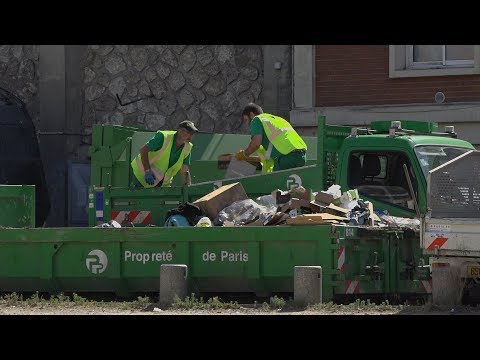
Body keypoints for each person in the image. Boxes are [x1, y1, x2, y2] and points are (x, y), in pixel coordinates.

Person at [235, 103, 307, 172]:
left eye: (246, 120)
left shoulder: (256, 119)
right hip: (301, 156)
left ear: (251, 114)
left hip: (285, 158)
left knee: (277, 184)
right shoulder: (278, 119)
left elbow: (256, 143)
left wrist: (244, 154)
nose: (247, 124)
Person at [130, 120, 198, 188]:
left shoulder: (188, 147)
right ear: (180, 131)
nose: (191, 136)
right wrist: (147, 171)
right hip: (140, 177)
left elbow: (184, 170)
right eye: (189, 133)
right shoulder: (164, 137)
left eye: (192, 134)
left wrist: (188, 188)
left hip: (162, 185)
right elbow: (143, 151)